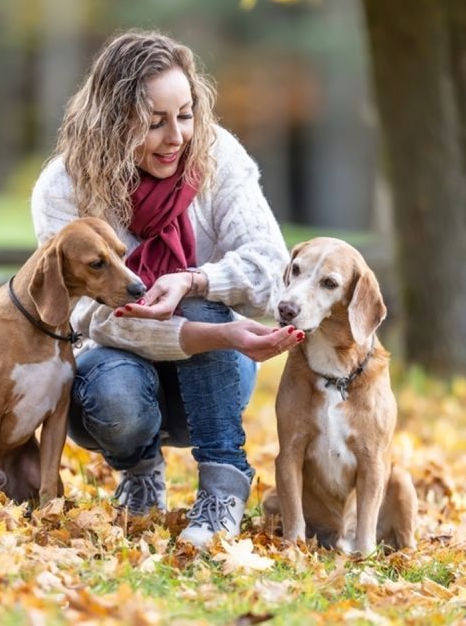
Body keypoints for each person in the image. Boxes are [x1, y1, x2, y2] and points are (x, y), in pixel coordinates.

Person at [30, 30, 303, 548]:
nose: (176, 136)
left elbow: (272, 270)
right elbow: (89, 315)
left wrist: (196, 279)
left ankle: (223, 485)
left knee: (202, 291)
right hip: (117, 373)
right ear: (113, 122)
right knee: (115, 400)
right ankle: (140, 472)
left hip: (214, 378)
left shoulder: (218, 157)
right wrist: (204, 331)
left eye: (185, 113)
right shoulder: (64, 189)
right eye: (154, 122)